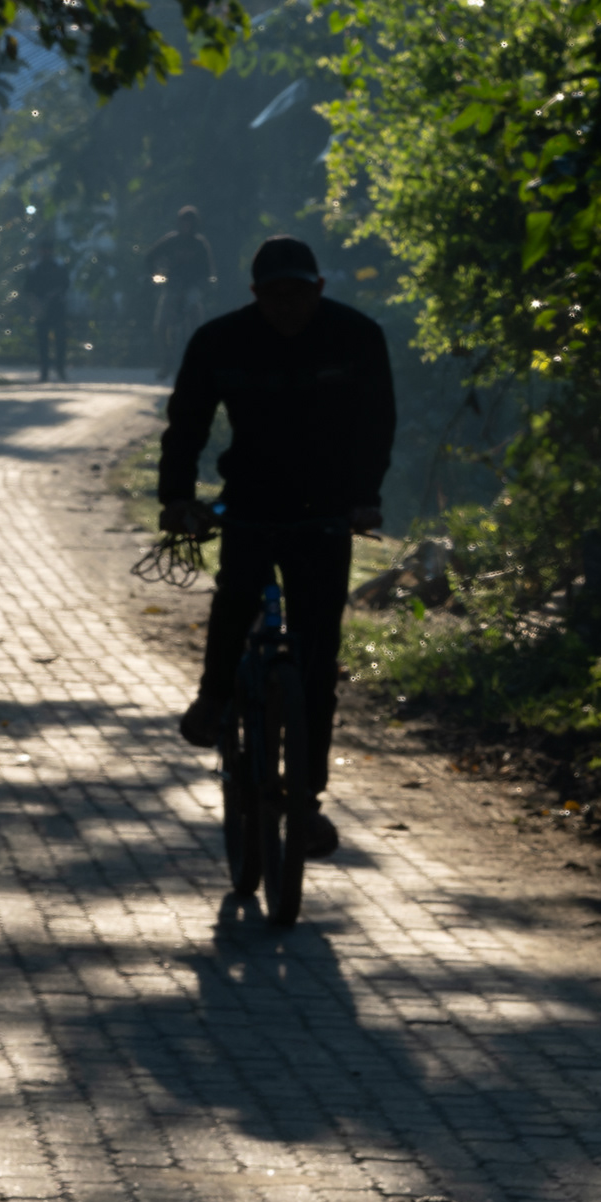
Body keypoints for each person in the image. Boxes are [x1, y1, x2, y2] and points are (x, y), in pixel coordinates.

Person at [162, 236, 396, 860]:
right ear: (255, 295)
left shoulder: (357, 337)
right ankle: (215, 697)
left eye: (299, 295)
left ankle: (306, 800)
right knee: (235, 597)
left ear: (319, 289)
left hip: (325, 512)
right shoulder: (218, 341)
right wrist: (177, 499)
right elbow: (186, 422)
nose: (287, 308)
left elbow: (378, 422)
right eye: (274, 297)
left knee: (318, 664)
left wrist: (366, 495)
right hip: (250, 504)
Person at [143, 205, 216, 378]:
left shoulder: (200, 244)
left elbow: (208, 270)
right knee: (160, 327)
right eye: (183, 222)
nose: (186, 226)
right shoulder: (171, 241)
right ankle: (166, 361)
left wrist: (203, 285)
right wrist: (155, 275)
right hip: (172, 287)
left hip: (192, 289)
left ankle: (197, 362)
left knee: (197, 323)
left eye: (189, 223)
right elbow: (150, 256)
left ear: (194, 224)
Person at [20, 237, 71, 382]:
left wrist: (54, 294)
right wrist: (35, 304)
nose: (45, 252)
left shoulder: (59, 266)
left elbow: (66, 285)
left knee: (60, 340)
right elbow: (28, 288)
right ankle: (44, 371)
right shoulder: (34, 267)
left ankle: (60, 368)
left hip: (57, 307)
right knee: (43, 342)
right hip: (41, 308)